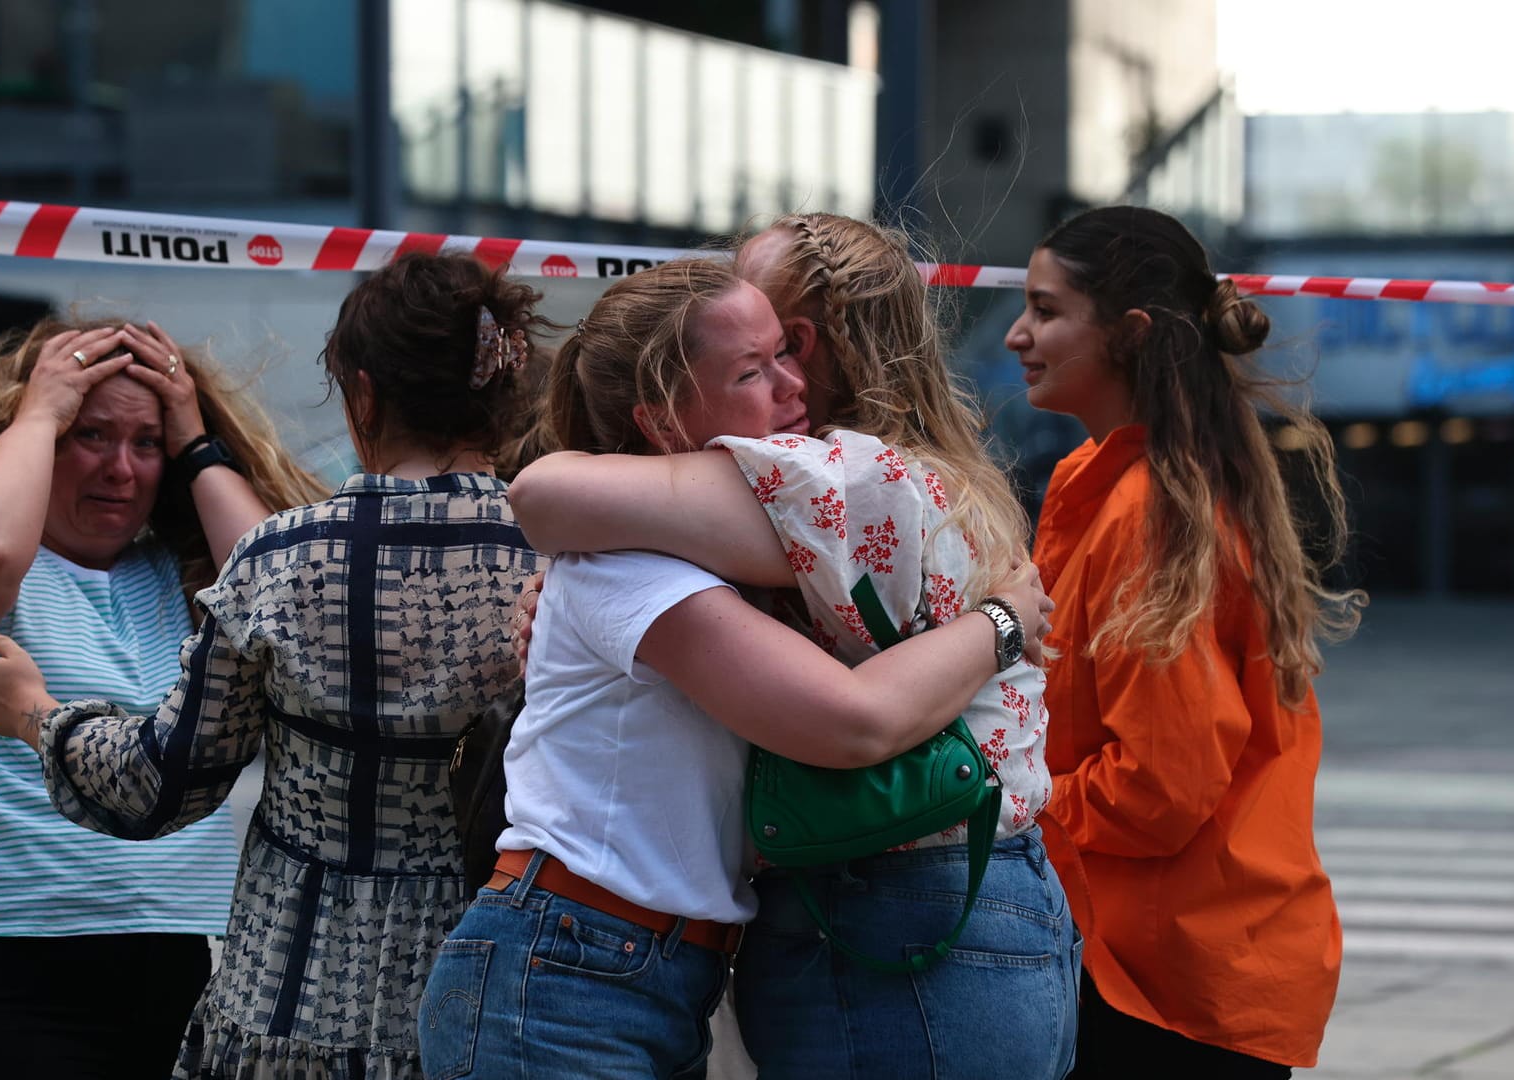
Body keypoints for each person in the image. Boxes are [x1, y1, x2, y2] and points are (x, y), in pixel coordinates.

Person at [417, 257, 1051, 1079]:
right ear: (660, 422)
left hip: (632, 965)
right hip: (568, 964)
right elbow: (852, 720)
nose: (795, 387)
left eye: (789, 353)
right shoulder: (632, 565)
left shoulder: (709, 553)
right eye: (754, 370)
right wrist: (1002, 621)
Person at [0, 253, 550, 1080]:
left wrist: (33, 713)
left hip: (291, 997)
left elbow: (157, 785)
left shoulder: (285, 558)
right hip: (498, 994)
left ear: (364, 396)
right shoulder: (565, 559)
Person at [0, 316, 324, 1079]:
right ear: (33, 438)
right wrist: (41, 407)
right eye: (90, 435)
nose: (121, 468)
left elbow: (298, 615)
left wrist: (195, 442)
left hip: (175, 976)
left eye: (145, 443)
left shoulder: (178, 575)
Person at [1005, 205, 1366, 1077]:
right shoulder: (1136, 478)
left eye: (1047, 311)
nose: (1018, 333)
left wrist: (1009, 800)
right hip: (1179, 954)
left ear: (1129, 335)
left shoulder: (1150, 509)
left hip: (1165, 978)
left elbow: (1159, 786)